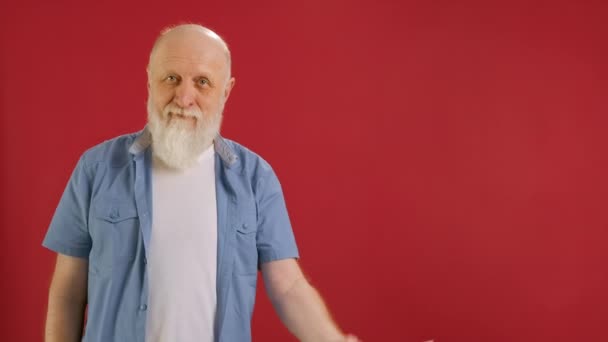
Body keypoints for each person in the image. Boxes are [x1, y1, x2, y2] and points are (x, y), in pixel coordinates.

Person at [42, 24, 359, 342]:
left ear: (226, 90)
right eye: (172, 78)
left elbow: (288, 287)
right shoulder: (97, 168)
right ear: (150, 80)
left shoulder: (255, 178)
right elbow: (68, 290)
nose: (184, 97)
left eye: (202, 82)